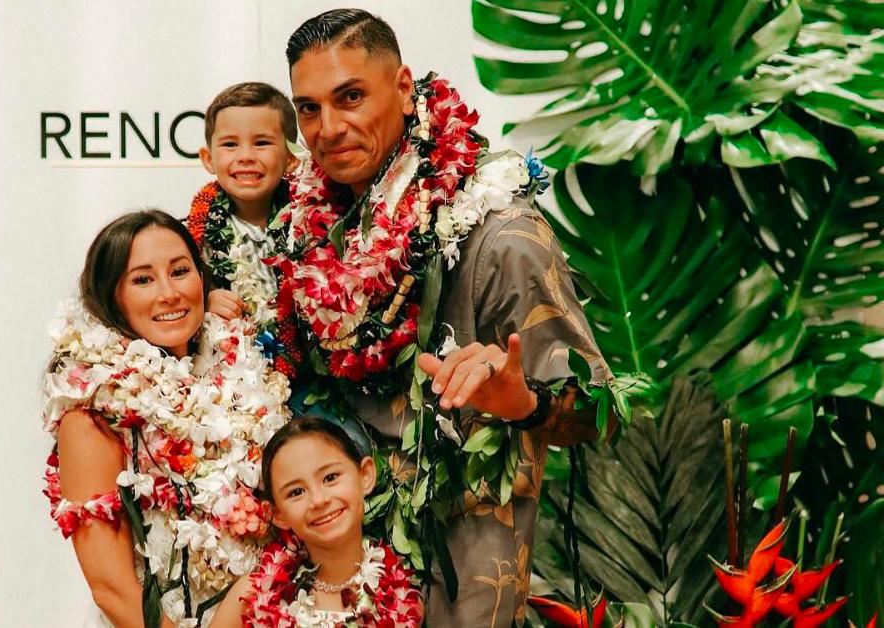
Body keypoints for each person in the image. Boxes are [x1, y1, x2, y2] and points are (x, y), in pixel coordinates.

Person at [274, 9, 615, 627]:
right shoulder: (301, 233)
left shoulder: (501, 233)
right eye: (308, 108)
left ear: (404, 88)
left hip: (458, 592)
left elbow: (597, 415)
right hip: (327, 589)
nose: (329, 127)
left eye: (351, 97)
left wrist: (525, 404)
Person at [41, 210, 292, 627]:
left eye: (180, 271)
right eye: (142, 279)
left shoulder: (247, 369)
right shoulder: (92, 412)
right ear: (111, 296)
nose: (169, 293)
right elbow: (113, 589)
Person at [209, 417, 423, 627]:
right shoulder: (252, 596)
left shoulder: (401, 603)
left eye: (330, 478)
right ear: (277, 514)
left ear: (365, 475)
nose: (319, 500)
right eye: (296, 492)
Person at [188, 81, 301, 377]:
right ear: (208, 159)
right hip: (225, 376)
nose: (246, 156)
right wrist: (205, 302)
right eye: (230, 144)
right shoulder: (192, 237)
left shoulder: (312, 227)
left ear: (291, 157)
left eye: (262, 142)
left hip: (302, 376)